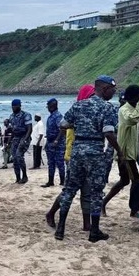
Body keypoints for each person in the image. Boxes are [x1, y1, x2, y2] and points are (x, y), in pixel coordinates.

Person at [54, 75, 123, 242]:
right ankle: (94, 231)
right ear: (105, 88)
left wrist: (80, 126)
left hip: (77, 150)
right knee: (96, 192)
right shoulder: (108, 108)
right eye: (113, 90)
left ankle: (60, 228)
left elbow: (63, 124)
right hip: (95, 151)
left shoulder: (78, 105)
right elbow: (108, 132)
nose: (114, 93)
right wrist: (119, 150)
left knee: (70, 189)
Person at [46, 84, 96, 232]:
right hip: (73, 157)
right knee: (69, 191)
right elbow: (63, 126)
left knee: (87, 191)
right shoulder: (76, 111)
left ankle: (87, 224)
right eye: (92, 95)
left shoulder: (89, 111)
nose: (94, 99)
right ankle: (51, 213)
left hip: (86, 158)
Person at [102, 85, 139, 215]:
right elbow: (131, 119)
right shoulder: (124, 110)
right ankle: (134, 209)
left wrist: (138, 134)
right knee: (136, 181)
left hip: (129, 152)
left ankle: (104, 203)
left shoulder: (132, 109)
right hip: (125, 153)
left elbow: (129, 126)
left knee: (125, 181)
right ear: (134, 97)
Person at [9, 99, 33, 184]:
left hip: (24, 136)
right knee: (14, 158)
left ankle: (25, 176)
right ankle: (18, 178)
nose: (13, 108)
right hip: (15, 137)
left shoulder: (26, 115)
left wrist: (25, 139)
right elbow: (12, 129)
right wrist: (9, 140)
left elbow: (29, 129)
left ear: (19, 106)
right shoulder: (11, 116)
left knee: (19, 155)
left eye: (15, 106)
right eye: (12, 106)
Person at [42, 98, 65, 188]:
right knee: (50, 163)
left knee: (60, 163)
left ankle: (62, 181)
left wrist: (57, 140)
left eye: (48, 106)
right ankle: (50, 181)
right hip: (50, 143)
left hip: (58, 144)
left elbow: (62, 129)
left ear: (53, 106)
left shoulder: (58, 116)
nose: (47, 108)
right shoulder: (51, 116)